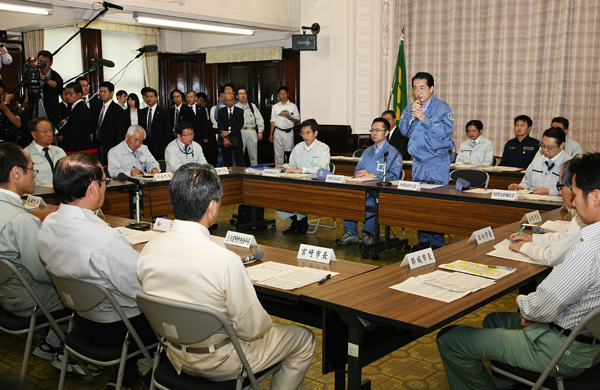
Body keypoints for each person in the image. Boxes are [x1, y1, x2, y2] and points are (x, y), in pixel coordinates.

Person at [137, 163, 316, 389]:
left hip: (174, 355)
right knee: (304, 339)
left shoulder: (148, 251)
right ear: (212, 206)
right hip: (221, 361)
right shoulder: (223, 260)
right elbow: (253, 329)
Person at [437, 152, 600, 390]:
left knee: (450, 339)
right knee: (494, 319)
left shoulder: (588, 251)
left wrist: (526, 307)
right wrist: (531, 309)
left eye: (575, 195)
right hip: (584, 338)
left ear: (595, 197)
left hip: (562, 349)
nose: (572, 202)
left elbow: (543, 306)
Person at [37, 153, 156, 388]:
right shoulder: (105, 239)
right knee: (175, 321)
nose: (105, 188)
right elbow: (141, 289)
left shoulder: (48, 225)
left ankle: (125, 375)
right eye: (104, 182)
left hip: (82, 320)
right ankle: (145, 378)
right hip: (119, 328)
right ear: (93, 187)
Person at [0, 142, 65, 336]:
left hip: (6, 292)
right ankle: (69, 356)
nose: (35, 174)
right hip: (28, 300)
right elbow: (44, 274)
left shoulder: (18, 215)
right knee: (87, 296)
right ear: (16, 173)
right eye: (31, 169)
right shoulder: (22, 223)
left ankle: (52, 345)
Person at [398, 72, 454, 250]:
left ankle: (436, 242)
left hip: (437, 161)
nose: (418, 92)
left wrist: (424, 118)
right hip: (419, 162)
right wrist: (413, 116)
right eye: (415, 88)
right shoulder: (410, 108)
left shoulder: (442, 108)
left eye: (422, 87)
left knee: (436, 202)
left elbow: (445, 130)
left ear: (431, 88)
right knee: (421, 202)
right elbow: (404, 131)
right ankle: (423, 240)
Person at [336, 118, 402, 246]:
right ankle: (351, 233)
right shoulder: (367, 151)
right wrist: (359, 174)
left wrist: (374, 175)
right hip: (363, 188)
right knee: (351, 198)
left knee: (370, 202)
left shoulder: (393, 153)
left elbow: (394, 177)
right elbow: (358, 170)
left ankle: (368, 234)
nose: (374, 133)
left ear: (387, 132)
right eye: (372, 130)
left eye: (378, 130)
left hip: (380, 192)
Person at [508, 160, 586, 266]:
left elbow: (552, 257)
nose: (559, 192)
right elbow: (563, 237)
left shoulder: (585, 217)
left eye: (560, 186)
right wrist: (531, 238)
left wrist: (523, 247)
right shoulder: (583, 214)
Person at [276, 119, 330, 235]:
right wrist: (283, 167)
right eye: (303, 133)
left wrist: (302, 170)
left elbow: (322, 169)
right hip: (297, 182)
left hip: (315, 183)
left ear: (315, 133)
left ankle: (302, 221)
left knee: (301, 192)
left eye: (308, 133)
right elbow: (292, 165)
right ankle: (295, 220)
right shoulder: (298, 147)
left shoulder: (323, 148)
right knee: (277, 193)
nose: (305, 136)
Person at [509, 127, 571, 195]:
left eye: (549, 147)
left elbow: (571, 192)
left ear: (562, 145)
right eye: (543, 145)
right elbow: (526, 182)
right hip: (533, 201)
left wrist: (548, 191)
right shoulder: (537, 161)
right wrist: (521, 187)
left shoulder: (570, 164)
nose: (545, 150)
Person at [91, 81, 127, 164]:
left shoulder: (117, 109)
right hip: (97, 146)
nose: (102, 94)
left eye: (105, 91)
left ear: (112, 93)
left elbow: (120, 132)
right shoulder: (97, 107)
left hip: (111, 146)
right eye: (100, 91)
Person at [25, 50, 63, 128]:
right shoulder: (34, 73)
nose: (43, 65)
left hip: (50, 112)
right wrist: (26, 98)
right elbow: (27, 85)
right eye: (41, 62)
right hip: (35, 111)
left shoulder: (55, 75)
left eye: (45, 62)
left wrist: (44, 79)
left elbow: (58, 86)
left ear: (51, 63)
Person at [24, 118, 66, 185]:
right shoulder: (26, 154)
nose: (49, 134)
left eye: (50, 130)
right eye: (44, 132)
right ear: (34, 135)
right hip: (38, 193)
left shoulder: (59, 151)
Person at [270, 86, 300, 165]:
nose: (283, 95)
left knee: (288, 153)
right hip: (278, 131)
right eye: (281, 94)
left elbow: (297, 120)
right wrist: (271, 134)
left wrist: (291, 119)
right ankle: (278, 170)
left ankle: (288, 169)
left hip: (288, 131)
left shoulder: (293, 106)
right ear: (278, 96)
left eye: (284, 93)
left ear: (288, 94)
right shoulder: (275, 107)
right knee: (278, 153)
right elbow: (273, 121)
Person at [138, 87, 170, 160]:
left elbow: (167, 129)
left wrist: (166, 145)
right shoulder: (142, 112)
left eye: (151, 96)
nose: (149, 98)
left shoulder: (163, 112)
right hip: (145, 144)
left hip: (159, 144)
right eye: (147, 96)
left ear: (156, 98)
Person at [59, 82, 92, 153]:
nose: (67, 96)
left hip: (77, 149)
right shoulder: (74, 107)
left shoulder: (79, 109)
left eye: (70, 94)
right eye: (66, 93)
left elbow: (76, 133)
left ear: (79, 94)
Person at [236, 87, 264, 166]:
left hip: (252, 130)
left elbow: (259, 119)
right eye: (240, 94)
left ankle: (254, 172)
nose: (243, 95)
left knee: (253, 155)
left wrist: (260, 131)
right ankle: (239, 172)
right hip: (240, 132)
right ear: (237, 96)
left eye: (244, 93)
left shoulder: (252, 106)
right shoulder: (235, 107)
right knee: (239, 154)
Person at [217, 92, 245, 167]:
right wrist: (225, 138)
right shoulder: (221, 111)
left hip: (236, 137)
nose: (229, 102)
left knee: (239, 159)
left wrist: (229, 132)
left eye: (230, 100)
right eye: (227, 100)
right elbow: (220, 126)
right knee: (227, 160)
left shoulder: (239, 111)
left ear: (233, 100)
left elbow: (240, 124)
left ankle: (240, 176)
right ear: (224, 101)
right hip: (224, 138)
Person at [0, 80, 25, 145]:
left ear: (5, 94)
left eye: (0, 94)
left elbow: (18, 124)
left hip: (9, 143)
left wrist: (5, 109)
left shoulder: (11, 108)